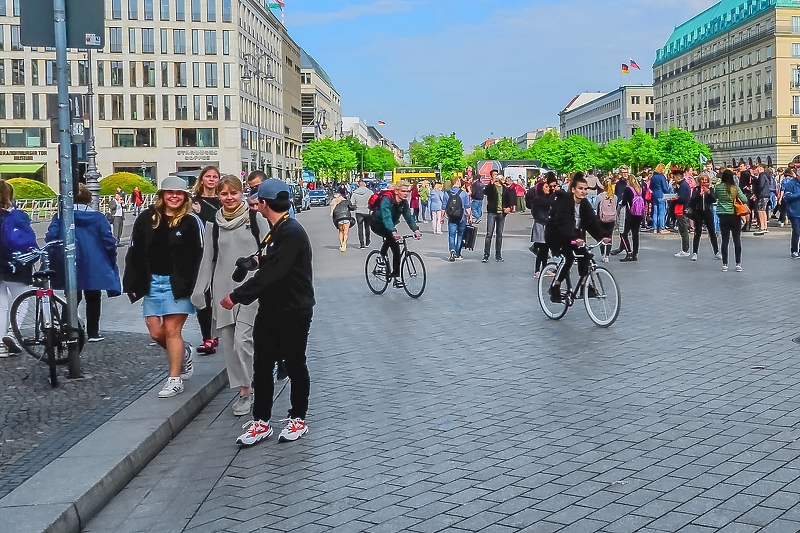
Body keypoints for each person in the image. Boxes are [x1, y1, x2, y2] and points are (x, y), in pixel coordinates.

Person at [221, 179, 315, 445]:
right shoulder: (278, 230)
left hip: (294, 309)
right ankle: (261, 422)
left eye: (256, 202)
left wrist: (236, 297)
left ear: (264, 203)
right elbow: (272, 261)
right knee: (262, 365)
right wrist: (253, 261)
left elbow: (273, 275)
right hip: (271, 308)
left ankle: (298, 417)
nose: (254, 206)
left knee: (295, 362)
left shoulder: (291, 232)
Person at [192, 176, 269, 417]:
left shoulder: (257, 220)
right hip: (222, 292)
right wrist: (199, 290)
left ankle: (252, 386)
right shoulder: (213, 226)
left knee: (242, 341)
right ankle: (245, 389)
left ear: (242, 193)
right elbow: (208, 260)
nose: (229, 198)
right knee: (230, 346)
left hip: (252, 291)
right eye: (224, 194)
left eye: (233, 193)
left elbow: (269, 253)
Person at [123, 176, 204, 398]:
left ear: (185, 196)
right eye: (169, 193)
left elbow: (202, 255)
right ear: (162, 195)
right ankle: (184, 353)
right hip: (152, 282)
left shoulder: (191, 221)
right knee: (156, 332)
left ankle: (174, 379)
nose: (174, 197)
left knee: (171, 330)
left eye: (179, 193)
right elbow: (134, 251)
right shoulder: (146, 218)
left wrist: (199, 286)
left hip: (179, 284)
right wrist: (131, 282)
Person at [45, 184, 121, 342]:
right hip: (94, 262)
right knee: (93, 297)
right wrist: (110, 256)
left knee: (72, 296)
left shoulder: (61, 216)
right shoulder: (98, 217)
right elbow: (108, 241)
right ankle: (93, 333)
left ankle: (67, 327)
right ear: (88, 198)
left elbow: (51, 236)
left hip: (69, 260)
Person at [544, 173, 610, 302]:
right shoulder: (565, 201)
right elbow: (563, 222)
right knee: (568, 258)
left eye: (585, 189)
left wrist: (603, 236)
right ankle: (555, 286)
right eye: (580, 188)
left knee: (586, 256)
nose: (583, 192)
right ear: (573, 189)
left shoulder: (584, 203)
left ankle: (585, 285)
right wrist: (574, 237)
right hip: (557, 235)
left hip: (573, 235)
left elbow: (592, 221)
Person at [0, 180, 33, 357]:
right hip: (15, 264)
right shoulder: (18, 216)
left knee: (1, 306)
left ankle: (0, 346)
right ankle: (13, 333)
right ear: (10, 197)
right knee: (22, 301)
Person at [191, 166, 221, 355]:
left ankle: (216, 333)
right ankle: (207, 338)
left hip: (221, 252)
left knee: (217, 295)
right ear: (202, 179)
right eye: (208, 176)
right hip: (200, 253)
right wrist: (196, 211)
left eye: (215, 177)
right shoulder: (193, 201)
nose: (211, 179)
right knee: (202, 295)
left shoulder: (223, 200)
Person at [370, 180, 422, 287]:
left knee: (396, 249)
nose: (406, 194)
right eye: (403, 191)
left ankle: (396, 277)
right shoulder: (387, 199)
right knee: (390, 236)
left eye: (407, 191)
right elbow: (386, 216)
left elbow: (408, 216)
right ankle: (380, 255)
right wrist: (393, 231)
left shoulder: (403, 202)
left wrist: (415, 229)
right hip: (377, 223)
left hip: (389, 225)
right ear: (396, 191)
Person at [714, 169, 748, 272]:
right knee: (736, 240)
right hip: (734, 215)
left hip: (723, 215)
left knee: (725, 241)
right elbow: (744, 199)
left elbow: (715, 197)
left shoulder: (718, 187)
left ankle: (725, 264)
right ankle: (738, 264)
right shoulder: (735, 188)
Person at [482, 170, 516, 262]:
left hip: (502, 213)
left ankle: (498, 255)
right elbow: (485, 192)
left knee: (499, 234)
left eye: (497, 175)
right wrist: (491, 183)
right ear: (491, 177)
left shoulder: (504, 188)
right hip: (492, 212)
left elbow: (510, 199)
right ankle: (486, 255)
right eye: (494, 175)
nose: (496, 177)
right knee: (489, 234)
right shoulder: (491, 187)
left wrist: (509, 208)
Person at [687, 174, 720, 261]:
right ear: (699, 180)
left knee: (712, 232)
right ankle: (695, 253)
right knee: (697, 233)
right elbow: (692, 201)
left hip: (708, 212)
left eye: (706, 180)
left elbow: (714, 200)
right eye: (702, 180)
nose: (704, 182)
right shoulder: (696, 189)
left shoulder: (711, 189)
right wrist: (699, 195)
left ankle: (716, 252)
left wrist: (708, 193)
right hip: (698, 212)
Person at [529, 180, 554, 276]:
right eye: (546, 187)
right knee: (542, 249)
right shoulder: (538, 199)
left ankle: (545, 268)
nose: (549, 189)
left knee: (546, 248)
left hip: (547, 224)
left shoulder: (548, 198)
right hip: (541, 224)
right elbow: (537, 213)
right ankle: (537, 270)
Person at [445, 177, 472, 262]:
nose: (461, 183)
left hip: (451, 217)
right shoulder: (463, 193)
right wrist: (470, 216)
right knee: (460, 235)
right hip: (461, 217)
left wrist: (441, 217)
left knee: (451, 235)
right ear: (457, 182)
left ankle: (452, 250)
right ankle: (458, 253)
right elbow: (467, 206)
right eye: (460, 181)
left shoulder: (447, 193)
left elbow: (443, 206)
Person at [619, 174, 644, 262]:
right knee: (635, 235)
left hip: (630, 214)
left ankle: (628, 252)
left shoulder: (628, 189)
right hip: (639, 215)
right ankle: (635, 254)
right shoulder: (640, 190)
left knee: (623, 234)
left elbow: (624, 202)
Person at [673, 168, 692, 257]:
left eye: (674, 177)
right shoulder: (682, 185)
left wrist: (674, 198)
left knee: (683, 230)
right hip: (680, 209)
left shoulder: (683, 186)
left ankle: (685, 250)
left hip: (682, 209)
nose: (673, 179)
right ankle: (685, 249)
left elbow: (682, 199)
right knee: (682, 230)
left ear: (678, 177)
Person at [782, 168, 800, 258]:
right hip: (794, 212)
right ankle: (794, 250)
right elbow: (787, 196)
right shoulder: (791, 183)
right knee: (796, 231)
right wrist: (798, 195)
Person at [649, 163, 672, 234]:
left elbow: (650, 187)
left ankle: (655, 228)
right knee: (662, 212)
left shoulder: (653, 176)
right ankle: (661, 228)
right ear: (662, 169)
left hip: (654, 195)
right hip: (661, 195)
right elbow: (665, 188)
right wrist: (668, 192)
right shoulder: (661, 177)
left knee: (655, 212)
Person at [350, 180, 373, 249]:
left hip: (359, 212)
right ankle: (367, 241)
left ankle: (361, 243)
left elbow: (352, 203)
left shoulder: (355, 193)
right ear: (365, 184)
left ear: (358, 185)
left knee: (360, 228)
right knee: (367, 227)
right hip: (367, 211)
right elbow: (373, 201)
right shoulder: (370, 192)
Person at [752, 164, 771, 235]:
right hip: (766, 194)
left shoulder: (762, 175)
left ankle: (762, 227)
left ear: (761, 168)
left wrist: (756, 193)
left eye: (758, 167)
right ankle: (765, 226)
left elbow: (761, 185)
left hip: (762, 194)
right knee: (763, 210)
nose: (757, 169)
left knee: (760, 210)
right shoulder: (766, 175)